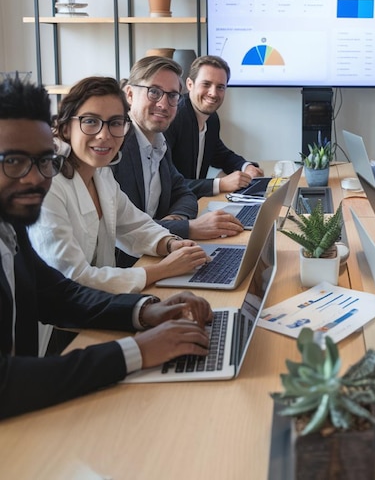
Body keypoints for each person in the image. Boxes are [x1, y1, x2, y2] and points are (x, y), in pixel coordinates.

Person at [0, 76, 212, 419]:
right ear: (66, 127)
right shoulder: (35, 199)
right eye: (12, 161)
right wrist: (135, 351)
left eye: (43, 161)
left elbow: (57, 293)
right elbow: (6, 382)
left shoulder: (11, 220)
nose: (35, 178)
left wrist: (145, 311)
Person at [28, 77, 208, 295]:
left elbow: (134, 225)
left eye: (115, 123)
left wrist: (170, 243)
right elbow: (74, 277)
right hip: (57, 322)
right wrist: (163, 270)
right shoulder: (47, 186)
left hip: (99, 305)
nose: (104, 135)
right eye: (91, 121)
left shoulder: (101, 174)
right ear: (66, 128)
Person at [112, 57, 244, 262]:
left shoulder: (158, 142)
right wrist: (189, 227)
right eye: (154, 91)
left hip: (159, 251)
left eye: (172, 95)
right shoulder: (115, 148)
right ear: (130, 94)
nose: (163, 104)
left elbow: (185, 193)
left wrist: (177, 218)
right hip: (127, 264)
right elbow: (126, 227)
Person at [165, 55, 264, 198]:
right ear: (189, 84)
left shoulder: (211, 118)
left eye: (220, 87)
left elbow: (221, 154)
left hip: (193, 201)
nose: (213, 93)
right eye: (206, 84)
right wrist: (220, 184)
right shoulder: (174, 118)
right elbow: (167, 183)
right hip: (170, 211)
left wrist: (246, 166)